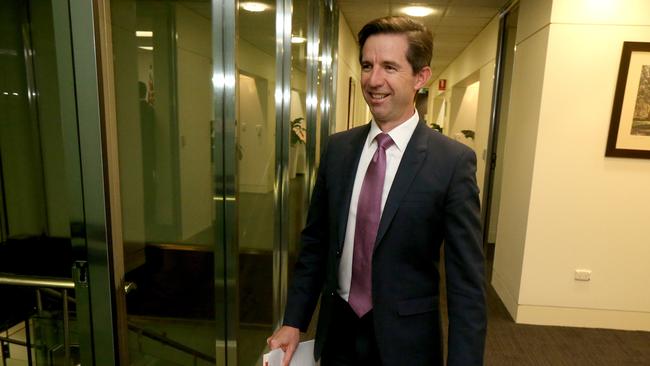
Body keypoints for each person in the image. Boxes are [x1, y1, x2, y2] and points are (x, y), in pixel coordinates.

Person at [267, 16, 486, 365]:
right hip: (337, 334)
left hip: (407, 344)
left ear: (421, 77)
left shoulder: (452, 163)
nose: (373, 80)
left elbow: (467, 287)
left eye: (389, 67)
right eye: (367, 65)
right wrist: (294, 320)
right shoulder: (338, 150)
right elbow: (316, 245)